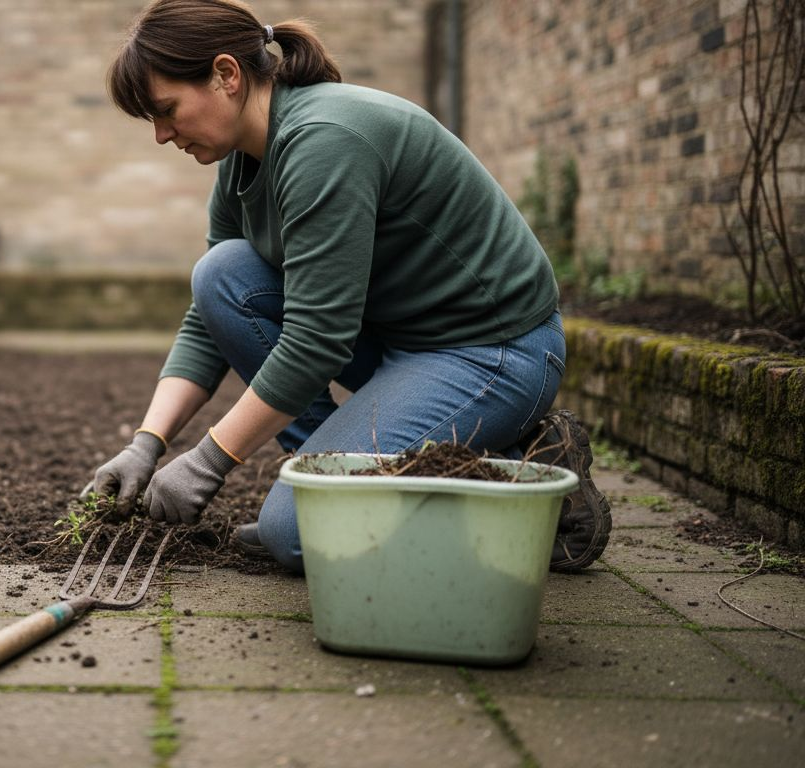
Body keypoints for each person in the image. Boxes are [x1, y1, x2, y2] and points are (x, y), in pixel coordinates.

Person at [89, 0, 610, 574]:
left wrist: (209, 461)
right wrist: (149, 442)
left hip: (491, 352)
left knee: (297, 536)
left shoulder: (324, 141)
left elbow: (317, 340)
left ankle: (534, 474)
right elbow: (209, 316)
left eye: (167, 110)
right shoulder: (241, 162)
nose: (162, 135)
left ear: (226, 75)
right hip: (397, 348)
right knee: (221, 274)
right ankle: (330, 470)